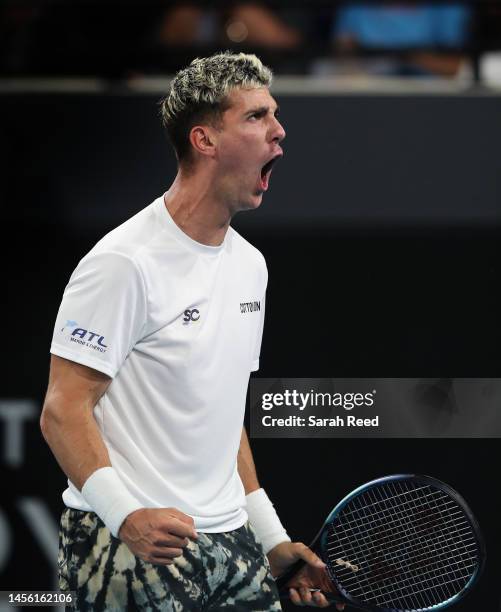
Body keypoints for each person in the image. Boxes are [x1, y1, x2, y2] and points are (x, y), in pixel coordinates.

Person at [40, 51, 341, 611]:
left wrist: (272, 539)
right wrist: (126, 515)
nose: (279, 132)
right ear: (205, 140)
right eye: (256, 117)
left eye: (274, 114)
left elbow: (223, 420)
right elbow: (63, 408)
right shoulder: (124, 261)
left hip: (233, 543)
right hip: (129, 543)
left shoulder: (252, 266)